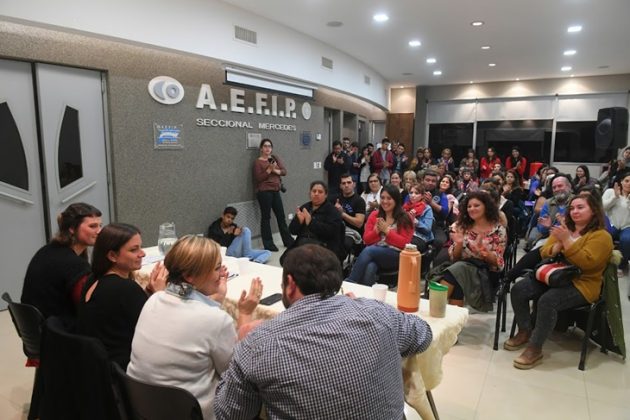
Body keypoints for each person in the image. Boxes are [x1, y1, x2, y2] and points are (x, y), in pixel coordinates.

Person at [214, 244, 433, 419]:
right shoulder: (376, 312)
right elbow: (423, 335)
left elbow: (229, 414)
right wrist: (366, 311)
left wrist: (241, 344)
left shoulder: (258, 343)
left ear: (290, 284)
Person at [127, 236, 261, 420]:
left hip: (142, 407)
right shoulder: (215, 319)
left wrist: (216, 301)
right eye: (216, 268)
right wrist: (245, 314)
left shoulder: (154, 299)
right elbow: (234, 372)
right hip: (190, 412)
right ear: (189, 276)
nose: (221, 274)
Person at [505, 194, 613, 369]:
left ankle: (535, 348)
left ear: (594, 210)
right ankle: (525, 330)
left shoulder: (602, 236)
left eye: (580, 207)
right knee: (519, 289)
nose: (575, 211)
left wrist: (567, 241)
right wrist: (556, 247)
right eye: (572, 208)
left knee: (547, 301)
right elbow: (544, 251)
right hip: (555, 276)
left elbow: (587, 264)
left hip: (582, 283)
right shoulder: (565, 229)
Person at [77, 223, 166, 369]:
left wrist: (149, 291)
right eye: (134, 250)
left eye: (140, 247)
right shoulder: (125, 288)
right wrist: (160, 295)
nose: (142, 254)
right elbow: (158, 329)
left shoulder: (93, 278)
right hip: (121, 368)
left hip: (95, 364)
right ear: (112, 255)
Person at [21, 202, 102, 319]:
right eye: (93, 226)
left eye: (100, 225)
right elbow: (86, 308)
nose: (99, 231)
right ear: (72, 228)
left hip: (38, 323)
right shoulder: (74, 264)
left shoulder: (47, 250)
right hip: (57, 326)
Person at [438, 191, 507, 309]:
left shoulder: (498, 230)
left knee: (456, 272)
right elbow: (455, 258)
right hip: (460, 269)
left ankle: (435, 309)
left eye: (476, 205)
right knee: (457, 273)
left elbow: (498, 263)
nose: (472, 209)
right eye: (469, 206)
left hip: (485, 273)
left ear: (486, 207)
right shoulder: (462, 226)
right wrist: (459, 243)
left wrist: (484, 252)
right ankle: (452, 317)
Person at [345, 185, 414, 286]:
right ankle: (366, 294)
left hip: (396, 255)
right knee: (370, 267)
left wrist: (387, 232)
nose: (385, 201)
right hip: (375, 253)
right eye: (382, 198)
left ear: (396, 200)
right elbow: (366, 240)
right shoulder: (374, 215)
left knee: (369, 250)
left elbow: (405, 243)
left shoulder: (405, 217)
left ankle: (349, 282)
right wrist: (376, 231)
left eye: (389, 198)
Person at [284, 181, 345, 264]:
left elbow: (331, 232)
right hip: (302, 243)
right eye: (314, 191)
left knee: (305, 264)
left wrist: (311, 222)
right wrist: (299, 222)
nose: (316, 194)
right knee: (286, 260)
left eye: (320, 192)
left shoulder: (333, 211)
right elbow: (292, 231)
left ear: (326, 195)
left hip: (323, 246)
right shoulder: (305, 207)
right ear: (310, 193)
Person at [253, 138, 294, 252]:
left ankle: (288, 240)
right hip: (264, 192)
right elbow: (258, 178)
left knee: (281, 216)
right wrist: (269, 170)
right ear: (261, 149)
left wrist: (274, 170)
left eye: (269, 146)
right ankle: (268, 244)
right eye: (265, 146)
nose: (268, 148)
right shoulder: (257, 162)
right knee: (266, 218)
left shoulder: (275, 158)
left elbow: (284, 172)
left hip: (276, 190)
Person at [207, 206, 271, 264]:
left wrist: (235, 235)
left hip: (237, 252)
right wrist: (228, 234)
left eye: (232, 218)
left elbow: (237, 242)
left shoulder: (233, 226)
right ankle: (248, 256)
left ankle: (257, 262)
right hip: (226, 254)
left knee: (267, 252)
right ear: (223, 216)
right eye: (228, 217)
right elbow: (218, 248)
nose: (229, 220)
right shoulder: (214, 228)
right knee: (246, 230)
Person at [534, 174, 574, 247]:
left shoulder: (576, 202)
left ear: (569, 186)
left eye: (560, 186)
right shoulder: (548, 203)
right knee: (537, 249)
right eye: (554, 187)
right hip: (549, 238)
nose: (557, 189)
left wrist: (558, 225)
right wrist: (547, 227)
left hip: (572, 239)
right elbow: (541, 229)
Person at [602, 172, 630, 273]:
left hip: (627, 226)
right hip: (611, 224)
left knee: (627, 240)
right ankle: (601, 262)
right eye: (626, 181)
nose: (629, 184)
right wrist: (615, 197)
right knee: (603, 236)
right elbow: (603, 207)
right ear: (621, 182)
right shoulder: (610, 191)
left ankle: (622, 265)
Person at [334, 174, 367, 256]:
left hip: (353, 233)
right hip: (337, 230)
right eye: (343, 183)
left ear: (354, 184)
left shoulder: (359, 201)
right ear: (340, 186)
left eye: (349, 182)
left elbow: (359, 223)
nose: (346, 185)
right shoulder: (336, 199)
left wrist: (342, 214)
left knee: (342, 245)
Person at [403, 183, 434, 253]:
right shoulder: (405, 207)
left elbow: (428, 230)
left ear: (422, 196)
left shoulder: (427, 208)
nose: (413, 195)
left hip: (420, 236)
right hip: (405, 233)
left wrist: (416, 222)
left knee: (406, 246)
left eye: (416, 193)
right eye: (411, 193)